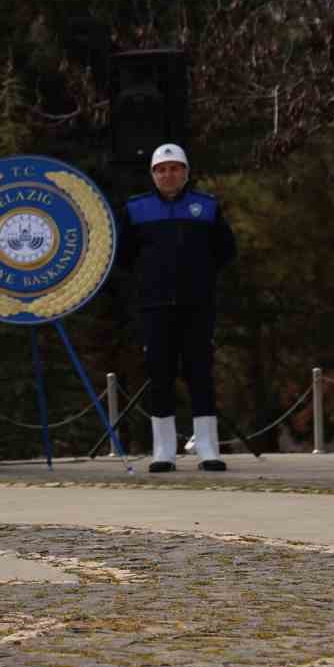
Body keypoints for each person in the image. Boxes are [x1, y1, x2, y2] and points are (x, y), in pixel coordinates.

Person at [118, 143, 237, 472]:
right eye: (161, 169)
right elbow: (124, 256)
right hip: (154, 306)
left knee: (200, 372)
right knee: (160, 373)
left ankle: (208, 448)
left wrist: (200, 277)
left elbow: (225, 250)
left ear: (185, 172)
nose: (168, 175)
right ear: (153, 174)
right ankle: (163, 451)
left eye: (174, 168)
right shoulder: (135, 210)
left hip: (197, 305)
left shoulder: (206, 207)